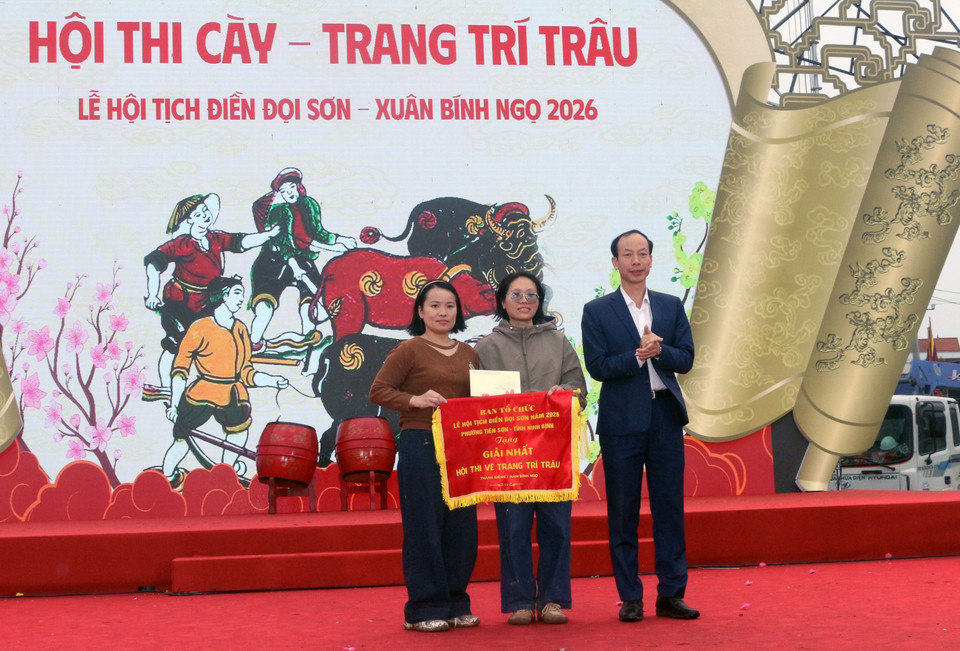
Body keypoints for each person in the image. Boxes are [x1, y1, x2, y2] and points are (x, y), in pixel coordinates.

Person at [581, 229, 699, 622]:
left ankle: (671, 594)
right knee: (623, 511)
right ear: (615, 262)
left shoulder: (669, 305)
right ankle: (630, 596)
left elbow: (686, 359)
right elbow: (597, 367)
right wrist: (637, 355)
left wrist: (659, 351)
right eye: (628, 254)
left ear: (651, 259)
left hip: (664, 417)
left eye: (642, 253)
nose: (636, 261)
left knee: (670, 509)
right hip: (621, 422)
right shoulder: (597, 310)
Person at [474, 271, 587, 625]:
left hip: (553, 454)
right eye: (517, 295)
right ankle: (520, 601)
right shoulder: (485, 348)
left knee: (557, 528)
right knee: (513, 530)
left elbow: (579, 388)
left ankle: (552, 600)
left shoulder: (559, 341)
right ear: (502, 301)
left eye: (531, 295)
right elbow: (476, 405)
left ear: (540, 302)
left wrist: (566, 393)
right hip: (509, 456)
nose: (524, 301)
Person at [369, 280, 481, 633]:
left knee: (462, 528)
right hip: (421, 441)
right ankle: (423, 608)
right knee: (424, 526)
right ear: (420, 311)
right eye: (434, 305)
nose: (443, 312)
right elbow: (378, 391)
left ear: (458, 312)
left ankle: (456, 603)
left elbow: (482, 400)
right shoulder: (409, 350)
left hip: (461, 446)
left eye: (450, 306)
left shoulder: (470, 353)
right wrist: (413, 400)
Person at [162, 275, 288, 487]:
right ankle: (167, 476)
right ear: (222, 296)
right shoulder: (200, 327)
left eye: (242, 294)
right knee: (182, 437)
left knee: (239, 432)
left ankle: (225, 473)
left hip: (233, 393)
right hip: (203, 392)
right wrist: (174, 404)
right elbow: (180, 369)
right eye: (237, 293)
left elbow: (246, 371)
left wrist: (271, 380)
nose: (241, 299)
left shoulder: (240, 329)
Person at [144, 193, 278, 386]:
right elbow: (153, 264)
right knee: (176, 344)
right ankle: (166, 386)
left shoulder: (215, 238)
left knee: (209, 340)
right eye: (199, 214)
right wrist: (152, 294)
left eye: (205, 211)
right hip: (179, 303)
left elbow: (240, 242)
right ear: (190, 219)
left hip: (206, 302)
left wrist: (268, 235)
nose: (205, 216)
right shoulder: (182, 243)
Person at [249, 168, 357, 350]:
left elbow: (317, 232)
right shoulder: (277, 211)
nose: (289, 193)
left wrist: (339, 239)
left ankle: (308, 340)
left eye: (291, 187)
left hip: (300, 258)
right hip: (272, 262)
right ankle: (254, 343)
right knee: (265, 304)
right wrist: (298, 266)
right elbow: (284, 244)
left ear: (298, 186)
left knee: (311, 299)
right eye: (284, 191)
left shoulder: (310, 205)